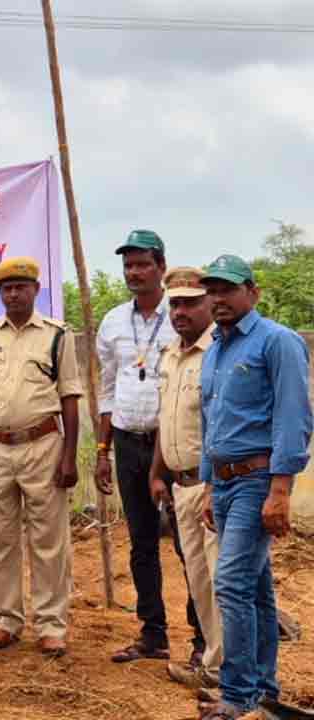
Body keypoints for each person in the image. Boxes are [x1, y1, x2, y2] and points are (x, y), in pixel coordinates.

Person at [197, 255, 312, 720]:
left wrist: (281, 488)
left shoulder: (277, 342)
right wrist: (208, 485)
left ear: (253, 292)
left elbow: (293, 417)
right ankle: (262, 690)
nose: (218, 299)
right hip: (223, 482)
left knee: (231, 583)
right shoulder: (216, 349)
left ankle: (237, 694)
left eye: (227, 289)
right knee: (255, 589)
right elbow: (211, 422)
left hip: (257, 480)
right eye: (213, 291)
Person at [0, 257, 81, 657]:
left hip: (43, 446)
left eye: (20, 287)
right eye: (6, 288)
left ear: (35, 290)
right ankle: (6, 620)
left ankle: (51, 624)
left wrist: (68, 457)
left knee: (48, 539)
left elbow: (69, 398)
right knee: (1, 538)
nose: (13, 294)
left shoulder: (57, 335)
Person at [95, 230, 202, 666]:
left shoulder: (181, 315)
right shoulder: (113, 321)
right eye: (128, 266)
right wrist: (101, 451)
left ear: (160, 266)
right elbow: (106, 388)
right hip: (126, 440)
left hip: (172, 445)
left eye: (142, 264)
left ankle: (202, 639)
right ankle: (153, 634)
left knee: (186, 544)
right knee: (140, 542)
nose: (134, 273)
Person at [144, 267, 224, 690]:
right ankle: (212, 666)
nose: (181, 311)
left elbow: (221, 427)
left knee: (220, 581)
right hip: (179, 485)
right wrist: (158, 471)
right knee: (197, 580)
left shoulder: (220, 352)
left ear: (210, 302)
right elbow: (167, 419)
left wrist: (213, 486)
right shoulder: (171, 355)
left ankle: (230, 672)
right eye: (174, 303)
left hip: (214, 488)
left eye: (191, 302)